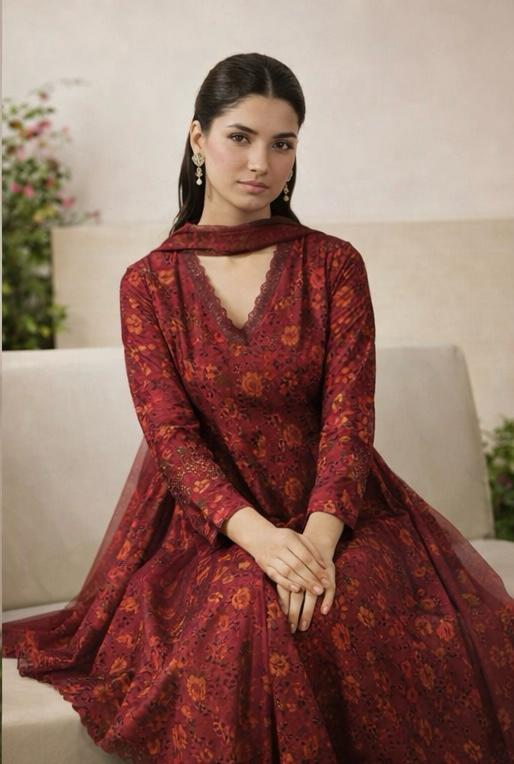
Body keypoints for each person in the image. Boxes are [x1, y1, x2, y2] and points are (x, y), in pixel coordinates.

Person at [3, 52, 514, 764]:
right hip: (207, 528)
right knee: (251, 605)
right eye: (240, 137)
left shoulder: (333, 265)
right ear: (198, 138)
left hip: (343, 514)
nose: (260, 163)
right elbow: (171, 437)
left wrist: (315, 546)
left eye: (282, 143)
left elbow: (349, 422)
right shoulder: (148, 284)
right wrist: (265, 542)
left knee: (337, 602)